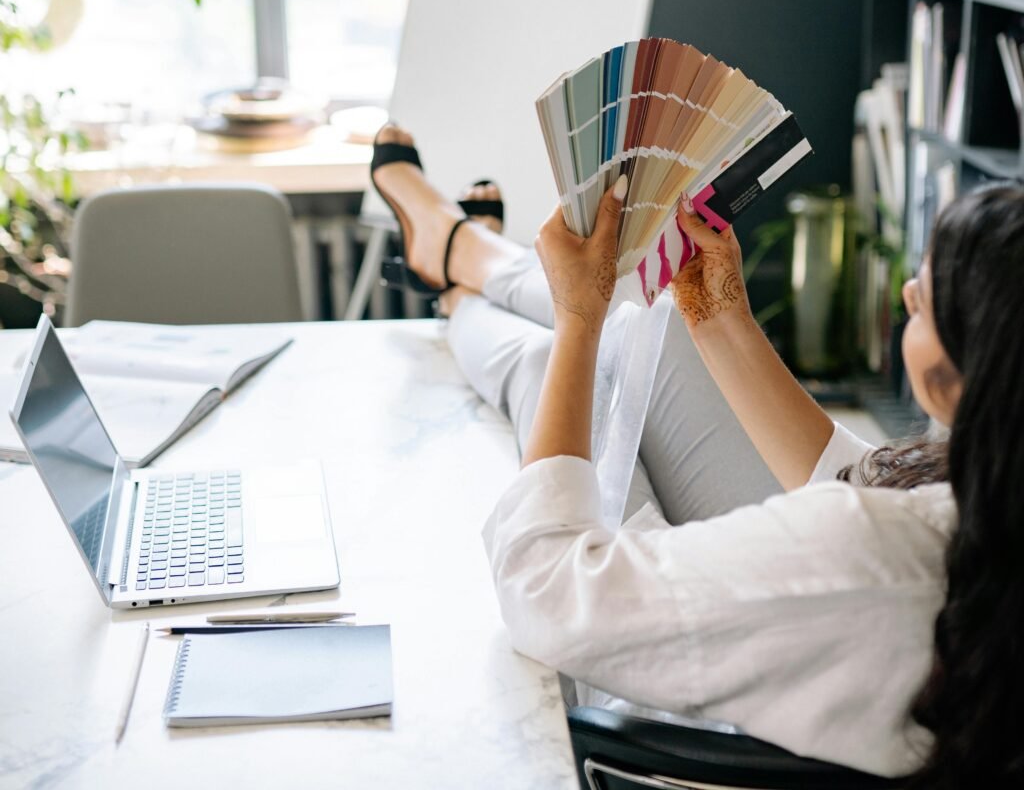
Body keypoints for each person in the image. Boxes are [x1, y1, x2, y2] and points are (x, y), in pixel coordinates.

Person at [370, 123, 1024, 787]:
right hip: (836, 630)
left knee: (557, 367)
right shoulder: (993, 496)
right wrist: (720, 313)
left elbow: (546, 586)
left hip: (682, 721)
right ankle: (464, 257)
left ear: (979, 372)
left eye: (930, 298)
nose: (911, 293)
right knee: (650, 321)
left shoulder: (878, 559)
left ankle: (454, 277)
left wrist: (575, 320)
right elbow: (866, 486)